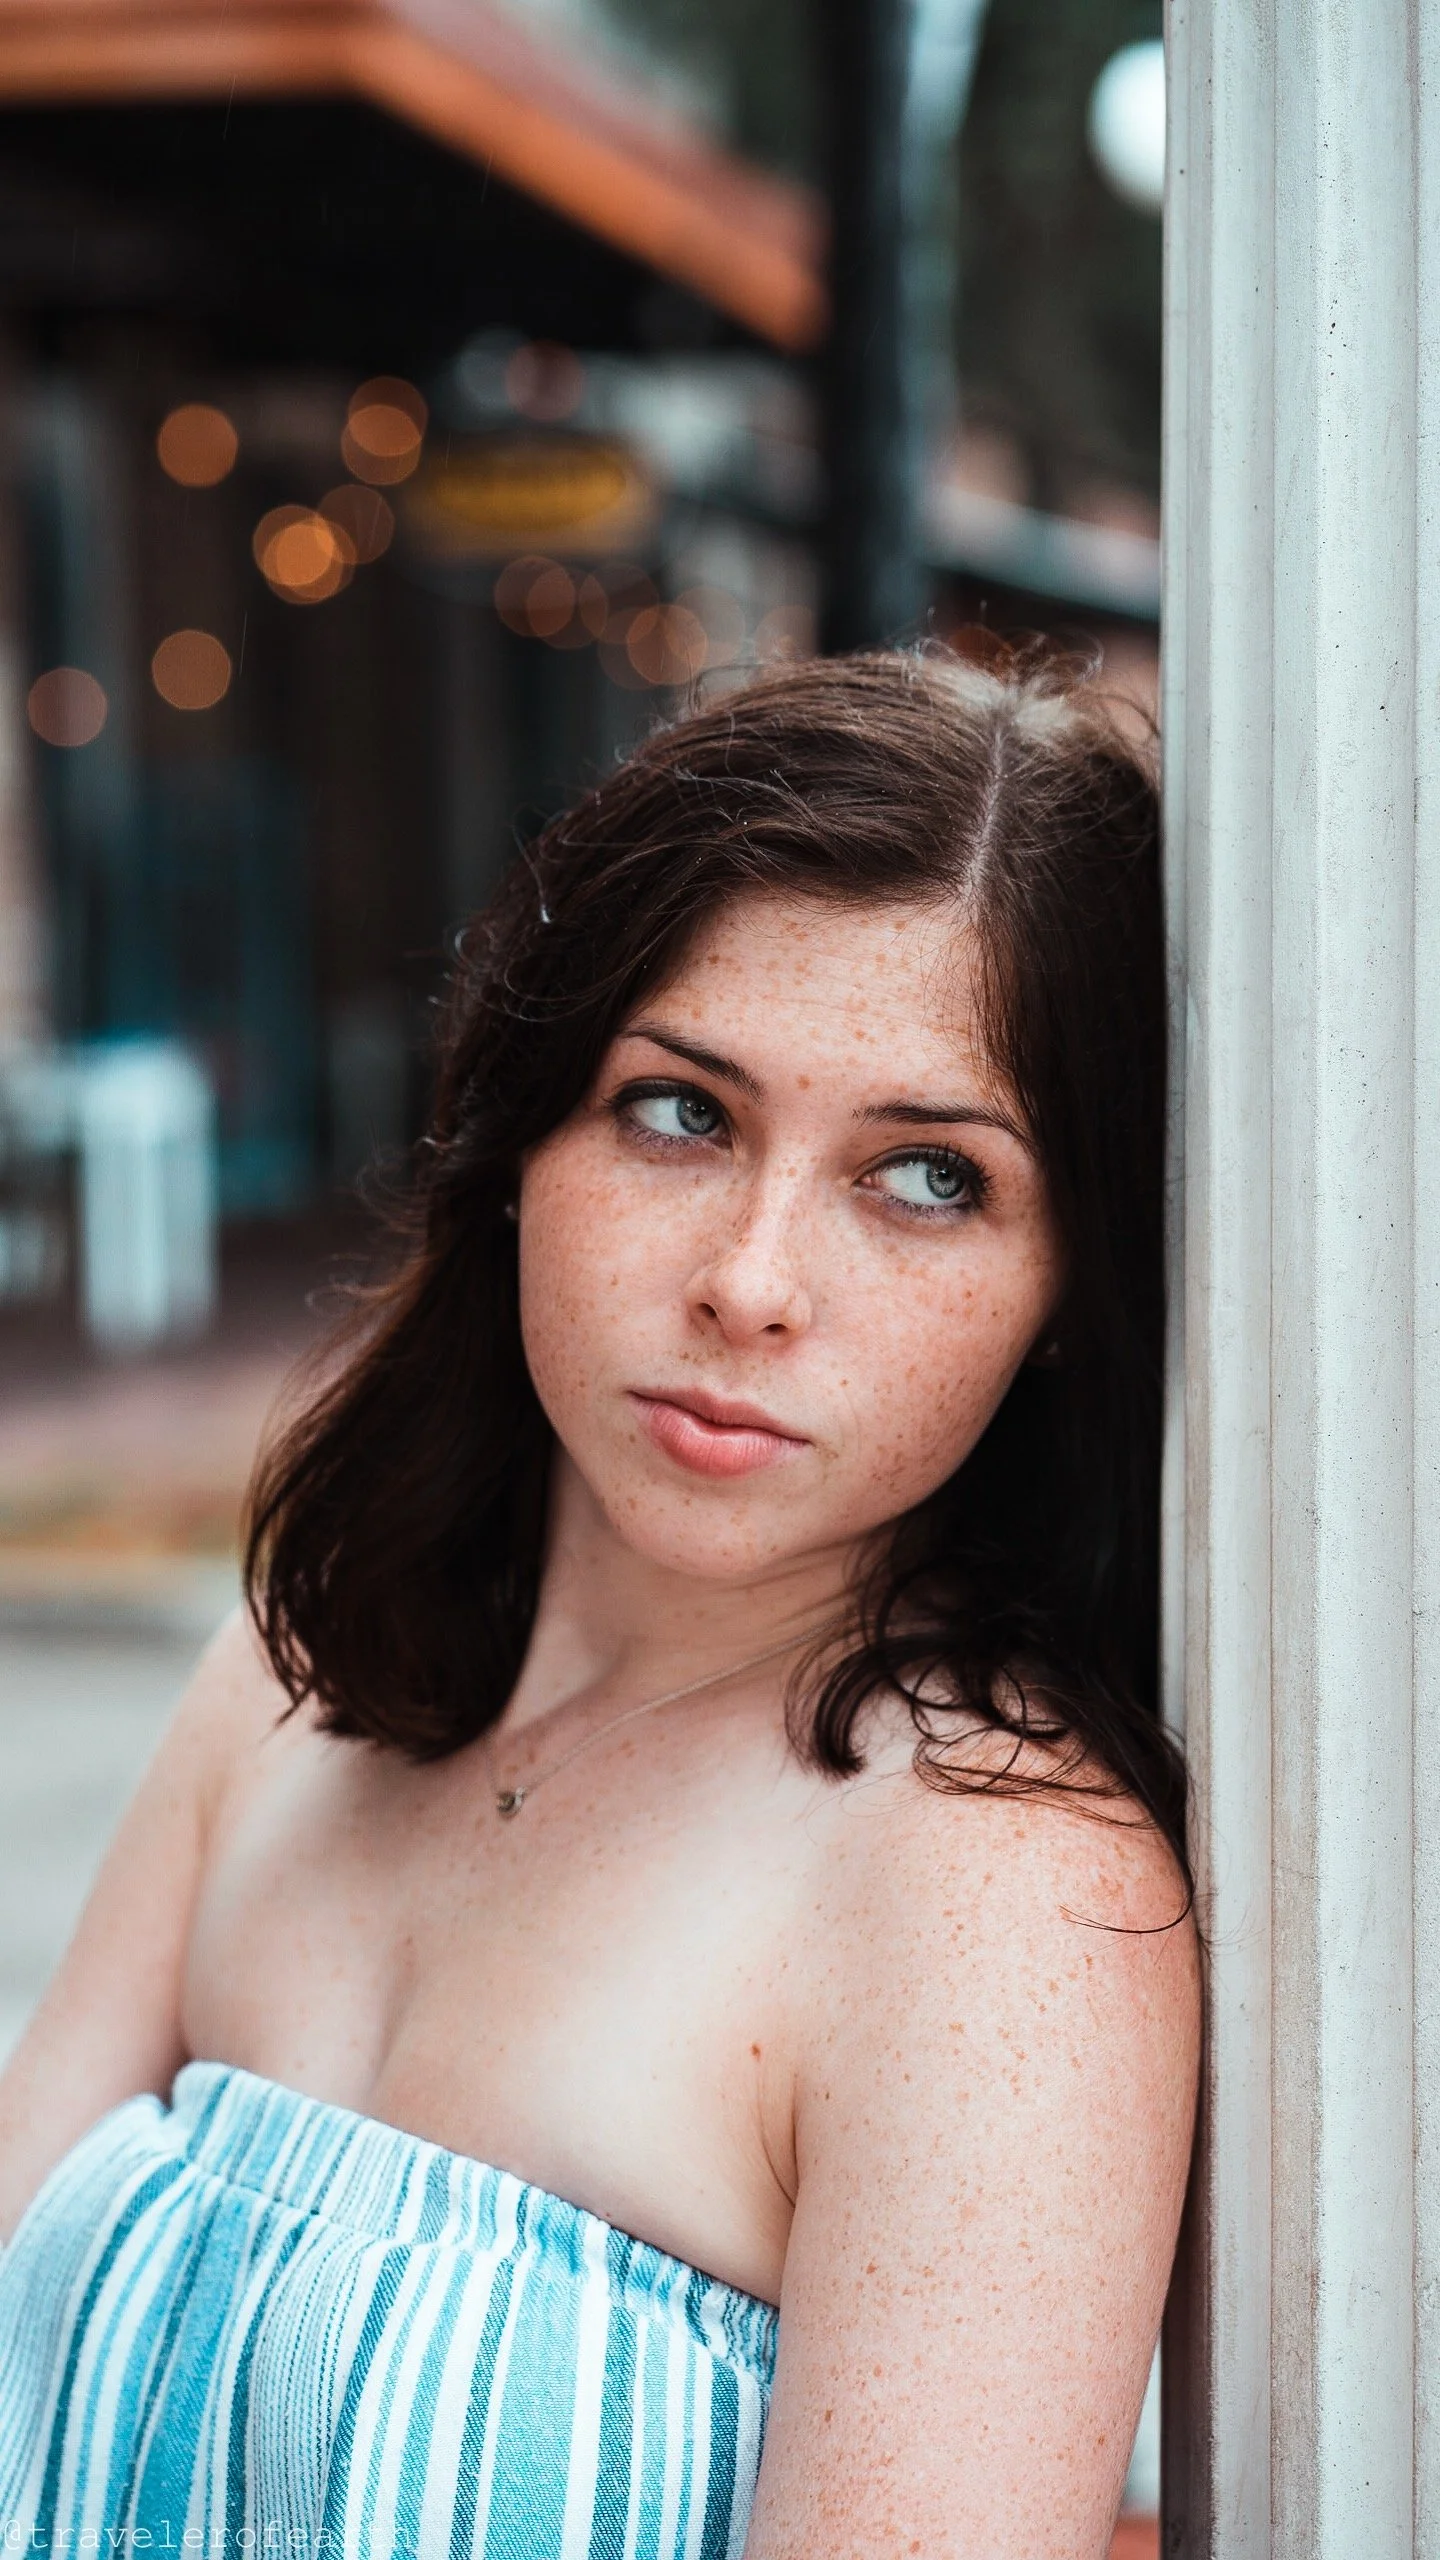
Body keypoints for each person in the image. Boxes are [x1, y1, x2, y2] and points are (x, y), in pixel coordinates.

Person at [0, 645, 1198, 2560]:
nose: (752, 1280)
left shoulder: (999, 1893)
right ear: (518, 1140)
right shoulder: (301, 1675)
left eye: (924, 1175)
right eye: (680, 1112)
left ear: (1065, 1293)